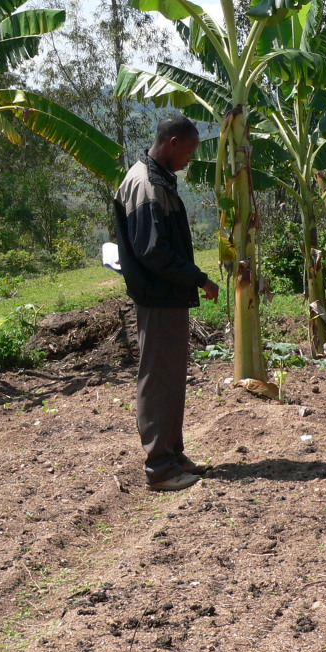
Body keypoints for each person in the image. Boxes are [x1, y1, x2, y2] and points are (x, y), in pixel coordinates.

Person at [114, 115, 220, 491]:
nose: (190, 159)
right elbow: (152, 252)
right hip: (157, 298)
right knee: (158, 379)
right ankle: (160, 468)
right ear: (172, 142)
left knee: (171, 377)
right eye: (189, 151)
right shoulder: (145, 185)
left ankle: (174, 455)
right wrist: (199, 278)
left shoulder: (156, 178)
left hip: (167, 297)